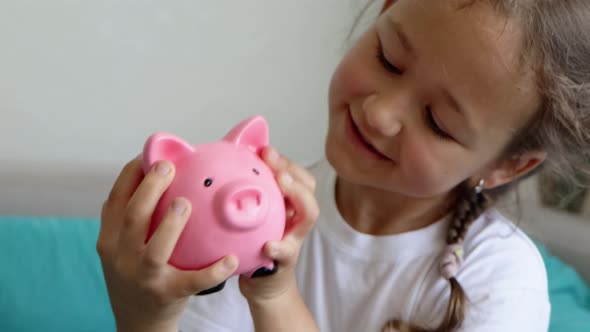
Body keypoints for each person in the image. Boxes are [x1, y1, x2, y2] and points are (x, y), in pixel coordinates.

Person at [96, 0, 590, 331]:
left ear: (507, 165)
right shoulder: (269, 214)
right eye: (389, 59)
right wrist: (144, 313)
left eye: (437, 122)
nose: (379, 113)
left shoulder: (502, 280)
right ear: (386, 10)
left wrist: (274, 297)